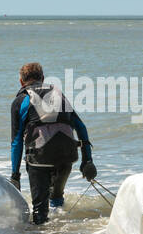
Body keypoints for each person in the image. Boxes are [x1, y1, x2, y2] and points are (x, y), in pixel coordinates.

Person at [9, 62, 96, 224]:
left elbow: (16, 142)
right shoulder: (59, 96)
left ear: (21, 82)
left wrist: (15, 175)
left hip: (39, 159)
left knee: (39, 211)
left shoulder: (21, 101)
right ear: (42, 78)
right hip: (66, 157)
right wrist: (87, 161)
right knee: (56, 199)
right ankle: (59, 232)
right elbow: (81, 128)